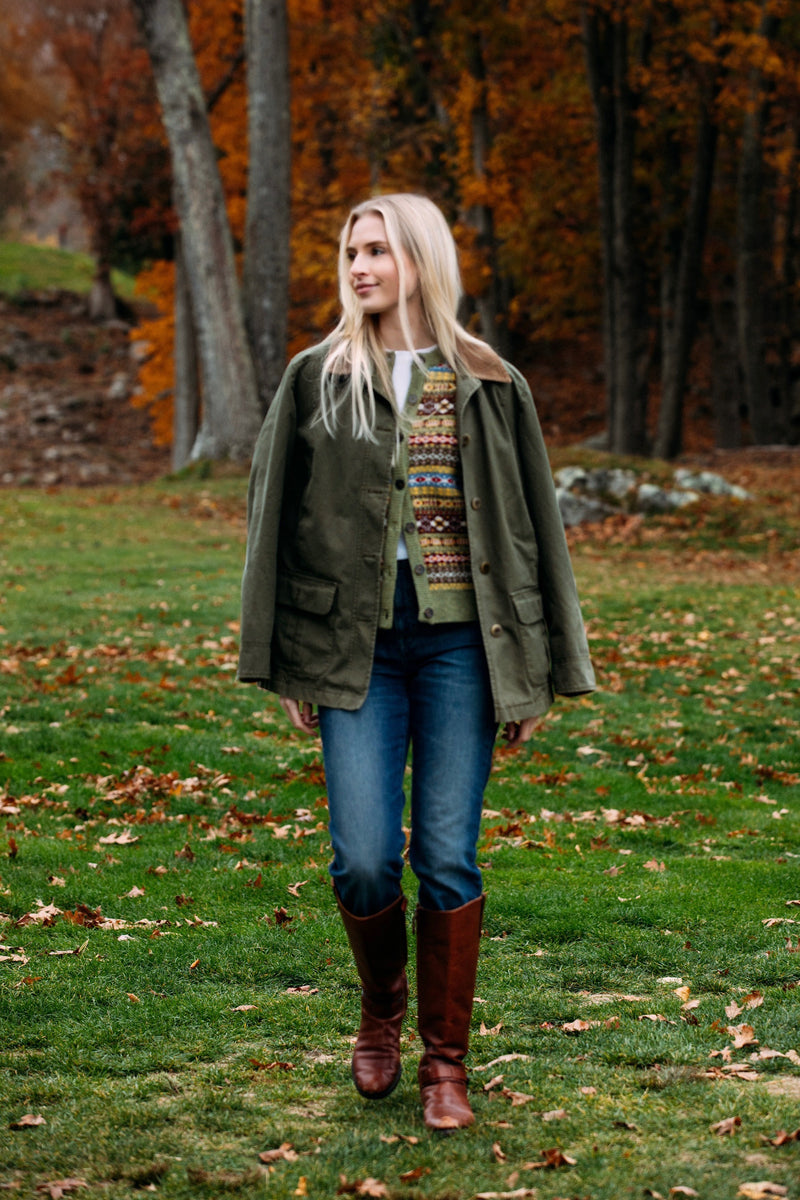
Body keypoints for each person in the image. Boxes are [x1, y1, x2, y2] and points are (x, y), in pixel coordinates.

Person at [238, 193, 595, 1131]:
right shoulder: (317, 377)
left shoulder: (489, 381)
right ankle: (381, 1005)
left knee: (447, 856)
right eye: (350, 251)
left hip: (462, 650)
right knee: (362, 860)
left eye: (377, 250)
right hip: (352, 646)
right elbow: (270, 524)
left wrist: (542, 671)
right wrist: (285, 663)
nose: (358, 267)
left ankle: (445, 1062)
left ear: (420, 259)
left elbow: (535, 534)